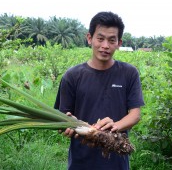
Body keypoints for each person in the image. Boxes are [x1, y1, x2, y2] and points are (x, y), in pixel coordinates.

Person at [54, 11, 145, 170]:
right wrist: (67, 124)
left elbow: (135, 114)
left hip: (117, 161)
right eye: (100, 38)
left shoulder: (129, 73)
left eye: (111, 40)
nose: (105, 46)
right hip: (81, 162)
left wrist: (113, 128)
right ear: (89, 38)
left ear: (119, 43)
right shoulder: (72, 76)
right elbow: (62, 116)